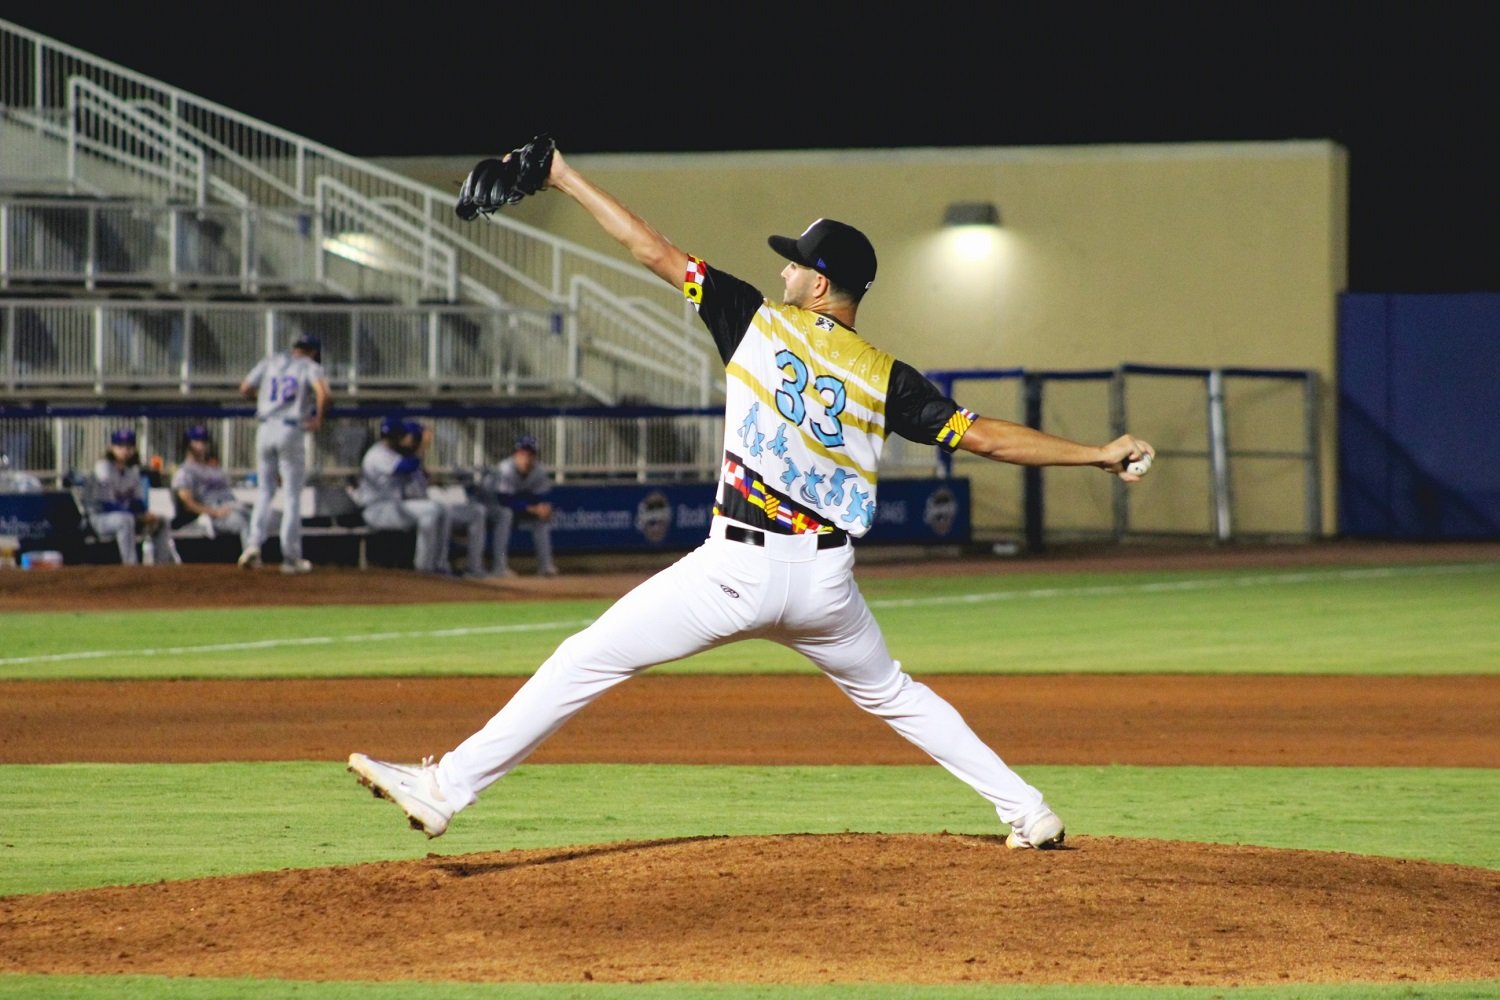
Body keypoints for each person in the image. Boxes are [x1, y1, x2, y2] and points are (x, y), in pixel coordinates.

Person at [349, 144, 1155, 850]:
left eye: (796, 262)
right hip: (828, 588)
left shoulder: (757, 323)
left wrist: (561, 175)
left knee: (584, 659)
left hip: (732, 572)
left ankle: (448, 787)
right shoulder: (886, 376)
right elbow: (983, 436)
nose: (784, 270)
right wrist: (1097, 453)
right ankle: (1030, 810)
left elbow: (649, 250)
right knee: (899, 696)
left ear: (822, 280)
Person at [238, 334, 330, 575]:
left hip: (265, 427)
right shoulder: (310, 366)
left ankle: (253, 545)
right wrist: (318, 418)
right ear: (313, 351)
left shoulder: (271, 361)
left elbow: (245, 388)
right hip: (290, 429)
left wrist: (265, 404)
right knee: (291, 495)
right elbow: (324, 394)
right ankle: (290, 557)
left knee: (265, 491)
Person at [356, 415, 452, 574]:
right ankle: (424, 568)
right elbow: (406, 467)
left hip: (392, 508)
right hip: (377, 510)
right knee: (432, 510)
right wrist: (422, 446)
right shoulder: (377, 454)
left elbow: (415, 471)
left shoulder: (392, 452)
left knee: (441, 510)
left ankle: (436, 564)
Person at [402, 418, 488, 577]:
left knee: (477, 511)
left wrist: (435, 482)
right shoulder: (401, 457)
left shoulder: (415, 459)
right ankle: (435, 566)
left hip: (427, 502)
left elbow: (421, 478)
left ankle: (473, 567)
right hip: (410, 507)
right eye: (418, 436)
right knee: (441, 511)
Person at [85, 428, 180, 566]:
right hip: (99, 519)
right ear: (112, 448)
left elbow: (137, 501)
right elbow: (106, 505)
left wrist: (147, 515)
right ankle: (131, 567)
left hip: (125, 517)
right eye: (120, 446)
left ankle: (162, 566)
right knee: (126, 520)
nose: (125, 450)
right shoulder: (103, 468)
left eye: (128, 446)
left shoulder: (133, 470)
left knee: (161, 521)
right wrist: (137, 516)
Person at [170, 424, 259, 557]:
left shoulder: (214, 469)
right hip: (212, 513)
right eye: (197, 441)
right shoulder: (185, 471)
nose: (202, 445)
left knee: (261, 517)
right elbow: (187, 503)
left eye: (204, 441)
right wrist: (215, 512)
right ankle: (253, 560)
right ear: (188, 444)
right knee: (242, 522)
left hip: (232, 506)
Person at [481, 434, 557, 578]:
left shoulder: (539, 471)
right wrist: (532, 508)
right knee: (505, 514)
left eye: (530, 454)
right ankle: (500, 567)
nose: (526, 458)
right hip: (489, 507)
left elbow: (540, 497)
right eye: (522, 454)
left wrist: (543, 508)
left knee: (541, 520)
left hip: (516, 508)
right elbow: (504, 500)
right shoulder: (505, 468)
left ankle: (546, 566)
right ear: (515, 454)